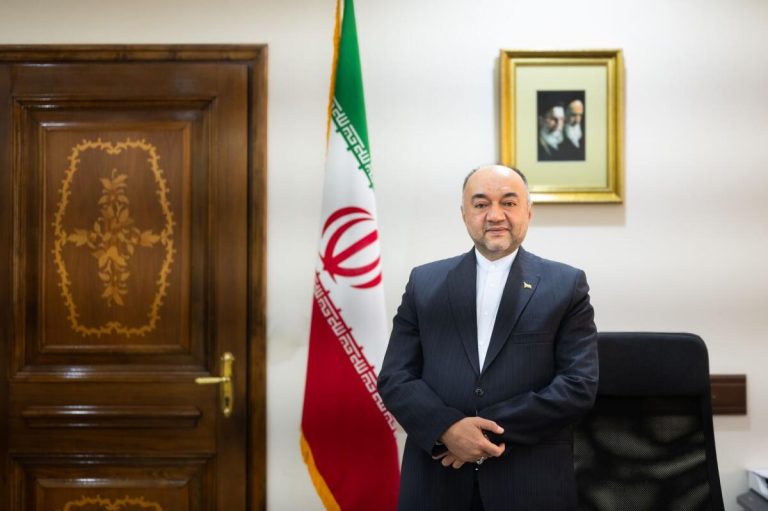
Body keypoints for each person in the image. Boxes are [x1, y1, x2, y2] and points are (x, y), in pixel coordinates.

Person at [378, 165, 598, 510]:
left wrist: (477, 435)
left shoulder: (566, 285)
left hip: (530, 483)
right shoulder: (424, 283)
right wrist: (447, 429)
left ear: (528, 211)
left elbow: (577, 384)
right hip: (437, 482)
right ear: (464, 214)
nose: (495, 215)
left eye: (508, 202)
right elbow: (395, 377)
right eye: (481, 204)